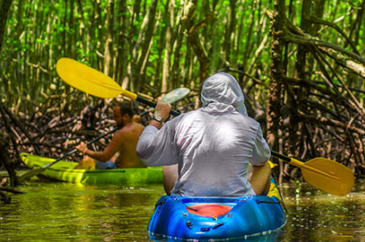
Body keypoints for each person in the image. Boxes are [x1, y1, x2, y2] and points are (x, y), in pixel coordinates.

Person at [136, 72, 272, 197]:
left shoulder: (181, 121)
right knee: (265, 165)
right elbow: (261, 158)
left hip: (189, 198)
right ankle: (260, 206)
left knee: (169, 164)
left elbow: (144, 150)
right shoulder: (251, 125)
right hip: (236, 200)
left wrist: (158, 117)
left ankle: (178, 205)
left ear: (204, 95)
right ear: (236, 96)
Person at [75, 101, 145, 170]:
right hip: (140, 170)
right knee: (114, 157)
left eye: (116, 116)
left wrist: (85, 150)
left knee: (89, 159)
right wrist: (132, 120)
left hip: (121, 171)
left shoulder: (120, 133)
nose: (114, 119)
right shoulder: (141, 128)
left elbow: (104, 157)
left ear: (126, 116)